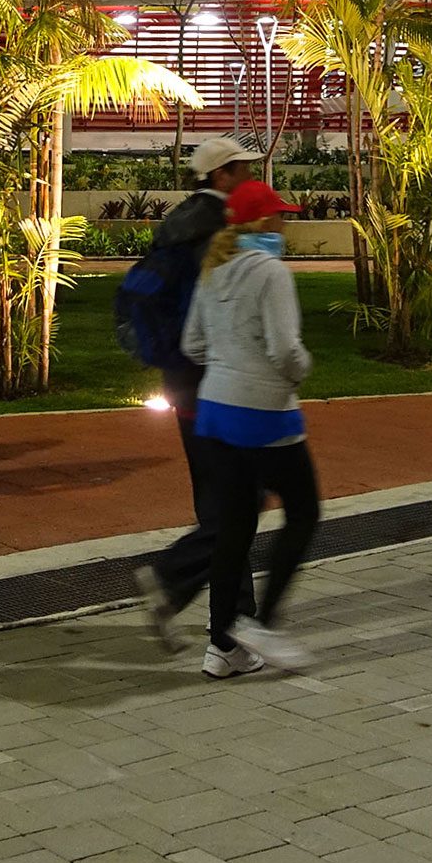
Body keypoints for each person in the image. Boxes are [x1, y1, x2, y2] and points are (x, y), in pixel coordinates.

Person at [127, 137, 259, 649]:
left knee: (217, 497)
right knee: (243, 498)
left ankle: (234, 618)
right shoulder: (221, 230)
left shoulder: (176, 223)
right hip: (218, 380)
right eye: (243, 168)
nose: (250, 174)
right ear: (222, 176)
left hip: (180, 380)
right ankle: (171, 578)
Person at [185, 179, 318, 679]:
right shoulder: (271, 273)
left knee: (235, 530)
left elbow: (192, 344)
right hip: (266, 415)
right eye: (281, 216)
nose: (286, 223)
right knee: (303, 513)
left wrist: (226, 366)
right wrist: (301, 369)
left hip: (215, 413)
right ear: (263, 223)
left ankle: (222, 647)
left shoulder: (212, 270)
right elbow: (286, 350)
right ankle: (263, 624)